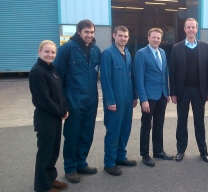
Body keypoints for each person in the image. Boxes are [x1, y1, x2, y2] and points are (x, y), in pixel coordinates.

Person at [54, 19, 101, 183]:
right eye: (86, 32)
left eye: (92, 32)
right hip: (73, 100)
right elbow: (58, 78)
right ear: (79, 32)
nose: (89, 35)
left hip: (91, 100)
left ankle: (82, 163)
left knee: (87, 134)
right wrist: (62, 102)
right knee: (73, 135)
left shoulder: (96, 49)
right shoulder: (67, 49)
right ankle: (70, 168)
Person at [169, 18, 208, 163]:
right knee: (182, 121)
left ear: (197, 29)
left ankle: (203, 151)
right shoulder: (176, 48)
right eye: (189, 27)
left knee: (199, 122)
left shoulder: (205, 47)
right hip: (183, 91)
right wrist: (173, 92)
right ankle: (180, 150)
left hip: (199, 91)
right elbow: (173, 72)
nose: (191, 30)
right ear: (184, 29)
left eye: (193, 27)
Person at [29, 40, 69, 192]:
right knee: (45, 152)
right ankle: (42, 186)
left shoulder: (51, 69)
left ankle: (50, 178)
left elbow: (59, 92)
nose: (50, 55)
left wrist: (64, 107)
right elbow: (43, 99)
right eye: (46, 52)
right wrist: (61, 111)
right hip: (45, 118)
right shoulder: (37, 72)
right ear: (39, 52)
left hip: (55, 117)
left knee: (53, 151)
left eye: (52, 52)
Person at [100, 26, 138, 176]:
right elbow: (105, 80)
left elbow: (131, 76)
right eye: (120, 35)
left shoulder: (127, 53)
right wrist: (110, 101)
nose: (123, 38)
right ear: (113, 35)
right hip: (115, 101)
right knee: (113, 131)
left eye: (125, 36)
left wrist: (134, 96)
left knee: (125, 129)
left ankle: (120, 157)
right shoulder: (108, 54)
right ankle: (109, 163)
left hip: (127, 99)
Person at [133, 28, 173, 167]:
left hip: (162, 95)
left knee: (159, 124)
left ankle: (158, 151)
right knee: (146, 126)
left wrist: (166, 93)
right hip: (149, 97)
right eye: (154, 37)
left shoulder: (162, 52)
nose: (156, 40)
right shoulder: (141, 53)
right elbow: (139, 78)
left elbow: (164, 74)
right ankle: (145, 154)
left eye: (158, 38)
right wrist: (143, 99)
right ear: (148, 37)